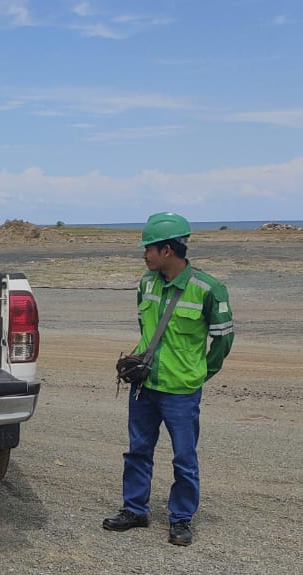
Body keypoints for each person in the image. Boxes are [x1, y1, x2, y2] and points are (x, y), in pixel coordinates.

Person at [102, 212, 234, 546]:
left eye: (149, 248)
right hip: (144, 386)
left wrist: (201, 372)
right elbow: (145, 328)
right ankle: (135, 510)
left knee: (184, 457)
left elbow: (223, 340)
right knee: (137, 451)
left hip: (181, 391)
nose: (143, 254)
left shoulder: (209, 289)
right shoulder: (146, 284)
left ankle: (181, 518)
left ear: (168, 251)